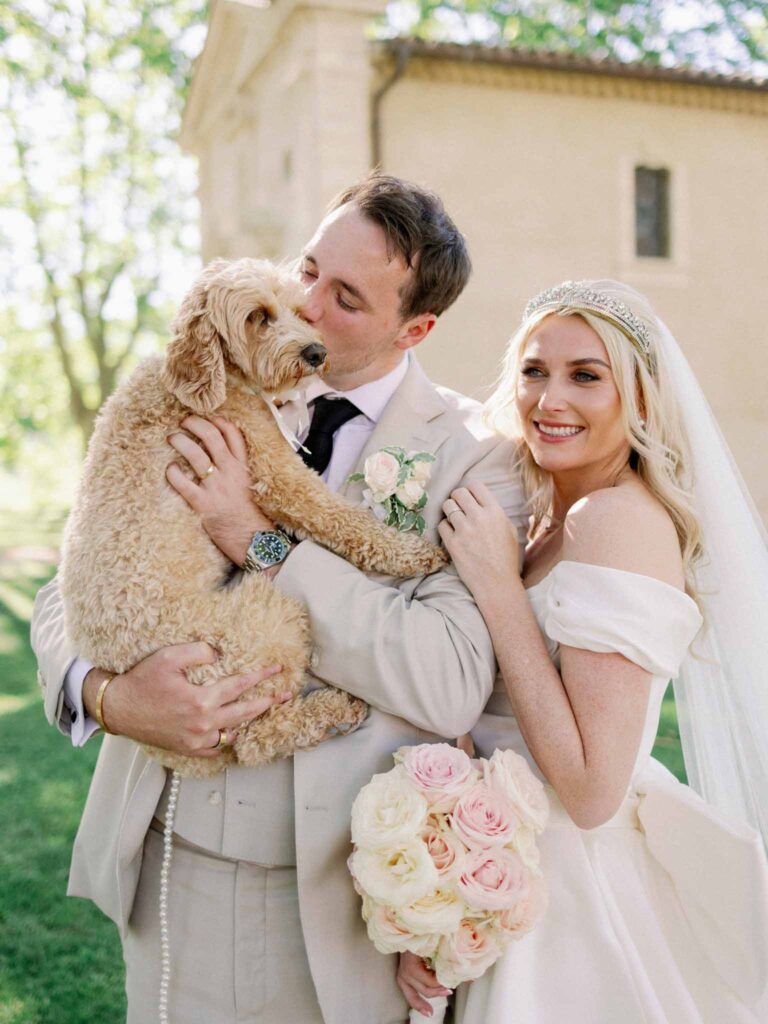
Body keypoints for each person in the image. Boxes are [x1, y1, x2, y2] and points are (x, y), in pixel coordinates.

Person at [30, 174, 527, 1024]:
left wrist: (255, 537)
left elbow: (444, 677)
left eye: (344, 297)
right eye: (305, 269)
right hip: (165, 859)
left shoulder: (472, 457)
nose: (301, 304)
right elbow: (69, 582)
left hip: (333, 901)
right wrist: (107, 695)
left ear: (415, 329)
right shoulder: (201, 381)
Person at [398, 279, 768, 1022]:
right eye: (534, 370)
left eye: (586, 376)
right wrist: (439, 896)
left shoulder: (617, 520)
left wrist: (501, 592)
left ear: (638, 400)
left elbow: (593, 792)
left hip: (575, 903)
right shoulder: (544, 519)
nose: (549, 399)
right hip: (505, 874)